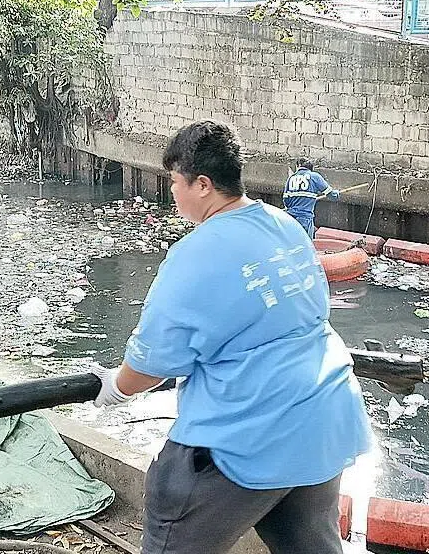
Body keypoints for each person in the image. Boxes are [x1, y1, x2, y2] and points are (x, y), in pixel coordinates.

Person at [93, 120, 372, 554]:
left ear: (202, 185)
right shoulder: (284, 226)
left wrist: (116, 388)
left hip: (247, 435)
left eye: (175, 182)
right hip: (323, 419)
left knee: (173, 526)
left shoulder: (195, 254)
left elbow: (152, 360)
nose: (173, 193)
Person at [282, 157, 340, 238]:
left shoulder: (291, 178)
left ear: (298, 166)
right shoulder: (314, 177)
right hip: (305, 218)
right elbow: (332, 196)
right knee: (306, 243)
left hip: (291, 218)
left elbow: (286, 200)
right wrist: (337, 193)